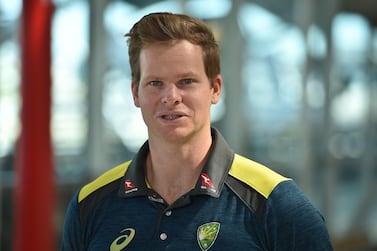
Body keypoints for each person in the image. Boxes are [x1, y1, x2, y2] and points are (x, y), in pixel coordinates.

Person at [61, 12, 333, 250]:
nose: (171, 97)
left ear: (215, 89)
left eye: (186, 81)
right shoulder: (89, 205)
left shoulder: (277, 205)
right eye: (155, 83)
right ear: (135, 92)